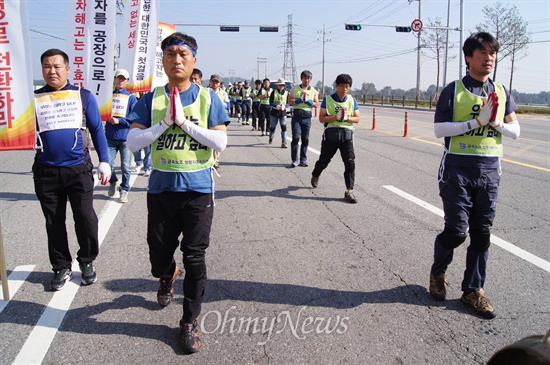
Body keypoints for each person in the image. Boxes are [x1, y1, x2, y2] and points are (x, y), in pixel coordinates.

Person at [126, 32, 229, 354]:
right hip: (161, 189)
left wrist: (184, 123)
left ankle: (189, 320)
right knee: (158, 256)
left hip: (198, 190)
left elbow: (220, 142)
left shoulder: (208, 99)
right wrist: (162, 125)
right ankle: (167, 273)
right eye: (170, 54)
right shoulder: (151, 98)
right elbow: (133, 143)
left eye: (183, 54)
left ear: (194, 60)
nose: (177, 59)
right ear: (163, 60)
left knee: (195, 257)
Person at [428, 32, 520, 320]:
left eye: (492, 53)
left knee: (481, 234)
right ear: (469, 58)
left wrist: (496, 123)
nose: (488, 58)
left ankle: (472, 290)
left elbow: (515, 131)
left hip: (490, 171)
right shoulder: (453, 90)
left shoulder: (502, 91)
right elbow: (439, 130)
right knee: (456, 231)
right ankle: (439, 271)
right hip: (457, 170)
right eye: (482, 53)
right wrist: (476, 122)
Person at [33, 48, 111, 291]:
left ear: (68, 69)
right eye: (47, 66)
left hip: (78, 168)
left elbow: (97, 130)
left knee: (85, 218)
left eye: (57, 66)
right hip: (46, 170)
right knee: (53, 221)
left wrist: (104, 161)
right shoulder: (34, 98)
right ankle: (60, 266)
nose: (52, 70)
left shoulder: (83, 95)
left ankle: (86, 261)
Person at [310, 74, 360, 203]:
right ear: (336, 86)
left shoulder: (352, 100)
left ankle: (349, 191)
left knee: (350, 163)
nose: (344, 89)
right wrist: (335, 117)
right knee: (324, 161)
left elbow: (357, 118)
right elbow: (322, 118)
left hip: (347, 136)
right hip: (331, 136)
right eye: (342, 86)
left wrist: (346, 118)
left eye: (347, 87)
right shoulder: (328, 99)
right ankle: (316, 174)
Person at [105, 69, 138, 203]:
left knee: (126, 166)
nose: (120, 81)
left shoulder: (131, 98)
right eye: (118, 78)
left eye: (123, 79)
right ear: (114, 79)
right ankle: (113, 181)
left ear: (127, 81)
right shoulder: (108, 96)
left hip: (125, 138)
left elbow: (134, 118)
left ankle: (124, 189)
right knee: (107, 164)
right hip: (109, 137)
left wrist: (120, 121)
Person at [288, 70, 319, 167]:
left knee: (305, 139)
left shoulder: (313, 91)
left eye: (309, 78)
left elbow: (316, 104)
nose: (307, 80)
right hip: (297, 116)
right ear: (301, 78)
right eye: (305, 78)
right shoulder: (295, 89)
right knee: (296, 138)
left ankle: (303, 159)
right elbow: (290, 101)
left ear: (311, 79)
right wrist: (299, 100)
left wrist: (309, 102)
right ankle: (294, 159)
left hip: (307, 117)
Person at [209, 73, 229, 170]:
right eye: (213, 81)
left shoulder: (223, 93)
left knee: (217, 140)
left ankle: (216, 160)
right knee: (209, 139)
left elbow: (228, 105)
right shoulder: (206, 92)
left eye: (217, 82)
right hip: (208, 118)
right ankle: (209, 159)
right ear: (210, 82)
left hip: (219, 120)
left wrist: (220, 104)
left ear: (220, 83)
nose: (215, 84)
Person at [269, 78, 289, 148]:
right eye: (280, 85)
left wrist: (285, 106)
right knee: (273, 127)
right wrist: (276, 106)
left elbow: (289, 103)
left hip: (283, 112)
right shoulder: (273, 92)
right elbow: (270, 102)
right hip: (274, 112)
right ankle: (271, 137)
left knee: (283, 126)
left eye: (282, 85)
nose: (281, 87)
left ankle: (284, 142)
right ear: (278, 85)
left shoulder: (287, 93)